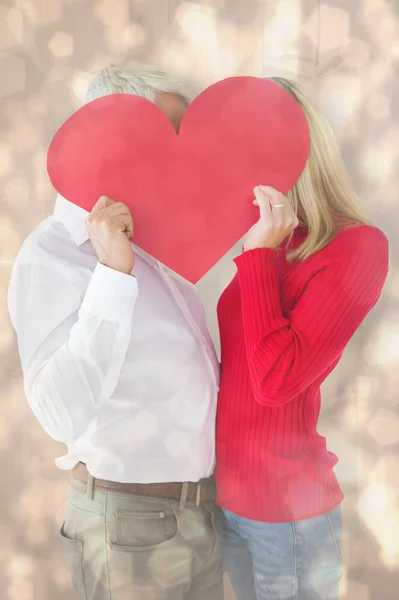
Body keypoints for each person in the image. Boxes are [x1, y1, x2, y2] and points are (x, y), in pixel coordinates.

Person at [8, 64, 223, 600]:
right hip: (131, 527)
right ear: (113, 135)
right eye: (170, 137)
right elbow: (60, 412)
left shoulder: (161, 249)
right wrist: (111, 274)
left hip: (199, 516)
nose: (185, 157)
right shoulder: (53, 254)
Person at [215, 77, 389, 600]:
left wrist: (260, 258)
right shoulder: (270, 236)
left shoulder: (356, 247)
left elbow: (274, 380)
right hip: (226, 501)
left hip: (287, 518)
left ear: (301, 147)